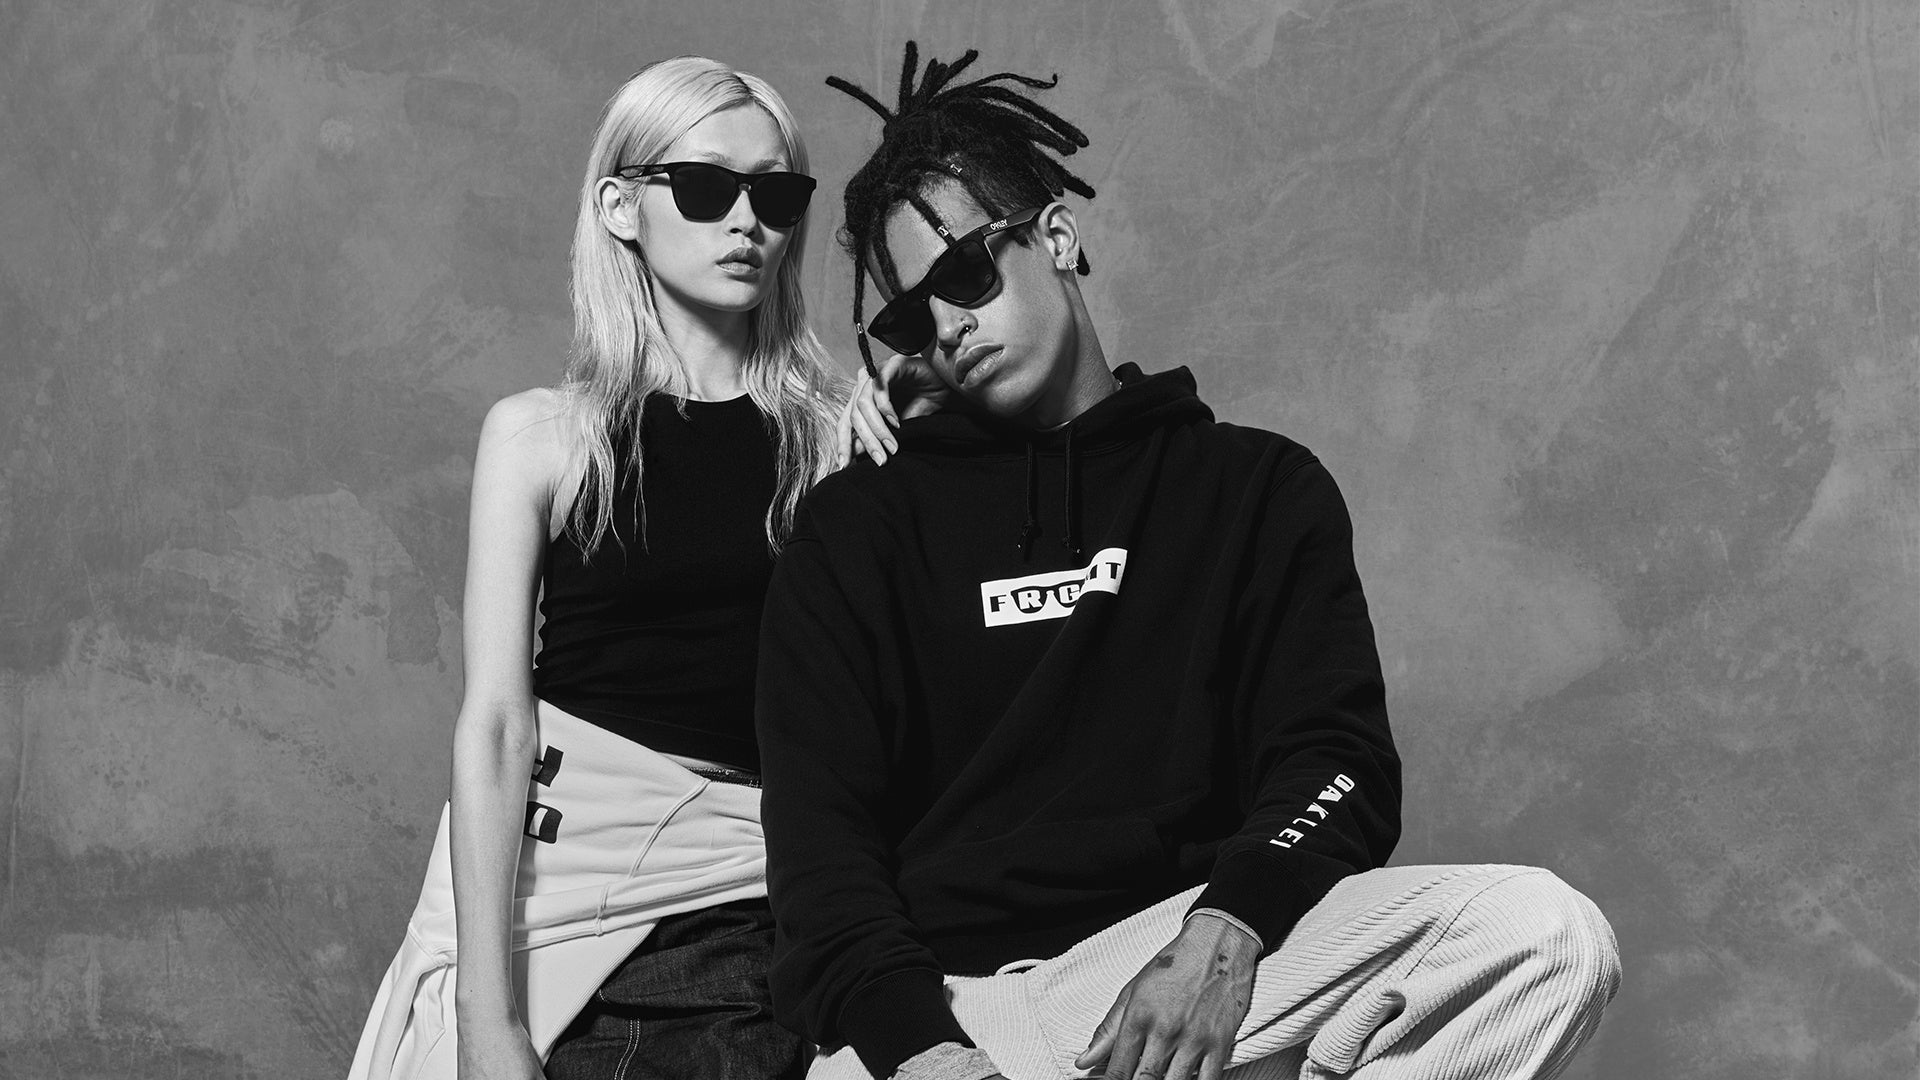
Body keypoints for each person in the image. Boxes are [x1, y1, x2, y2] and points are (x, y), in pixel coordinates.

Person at [755, 44, 1622, 1080]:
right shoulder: (856, 530)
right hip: (954, 1007)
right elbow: (820, 856)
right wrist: (926, 1054)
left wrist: (1227, 932)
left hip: (1177, 963)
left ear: (1057, 237)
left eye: (966, 273)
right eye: (910, 317)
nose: (947, 326)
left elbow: (1335, 759)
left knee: (1541, 937)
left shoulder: (1254, 489)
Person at [348, 56, 893, 1080]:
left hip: (764, 907)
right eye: (706, 186)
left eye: (776, 194)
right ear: (620, 206)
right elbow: (498, 724)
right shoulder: (542, 437)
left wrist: (907, 434)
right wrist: (483, 1016)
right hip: (562, 907)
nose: (746, 221)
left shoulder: (837, 440)